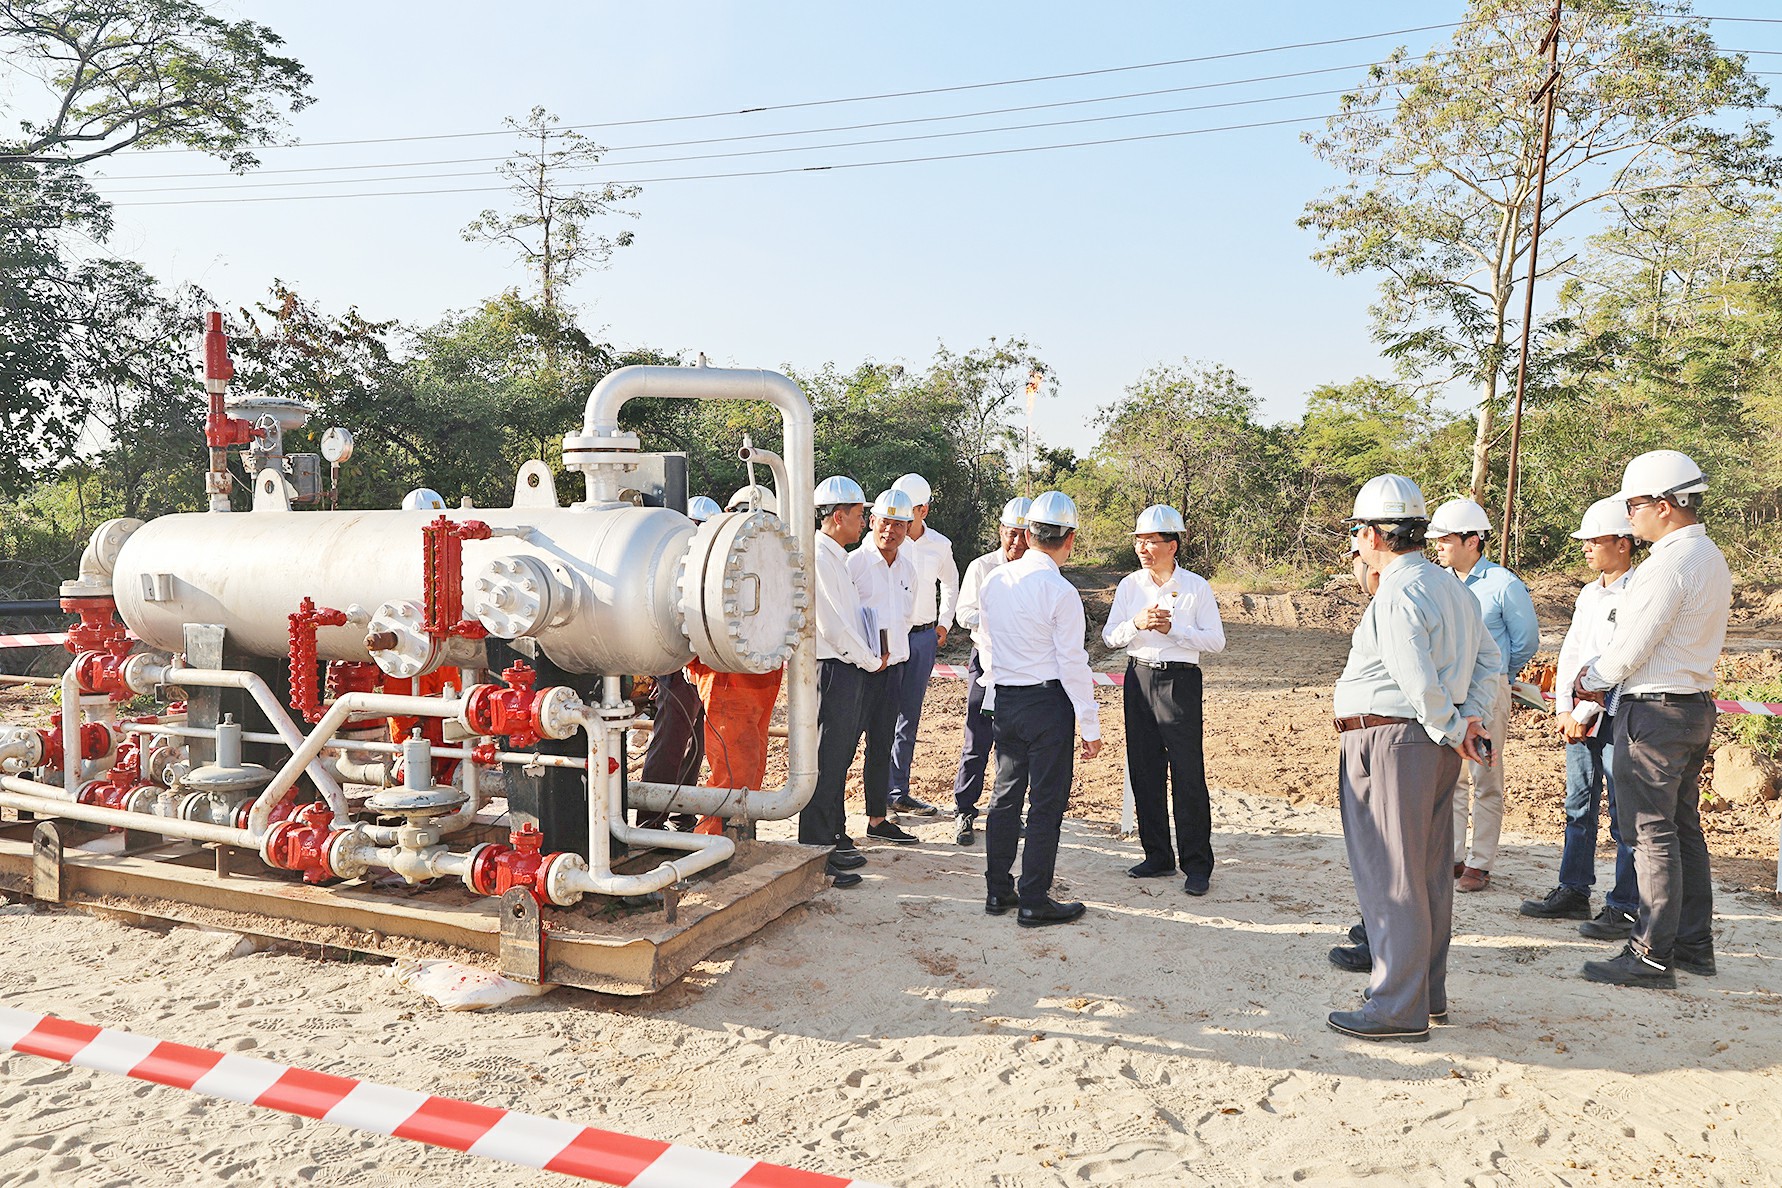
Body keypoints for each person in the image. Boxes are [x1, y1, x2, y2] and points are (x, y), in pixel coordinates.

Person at [1329, 474, 1500, 1043]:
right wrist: (1467, 720)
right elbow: (1490, 661)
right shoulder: (1453, 588)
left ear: (1374, 534)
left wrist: (1453, 724)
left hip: (1392, 742)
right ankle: (1425, 992)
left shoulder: (1398, 592)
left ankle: (1397, 1008)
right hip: (1427, 743)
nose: (1356, 542)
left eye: (1357, 531)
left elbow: (1415, 675)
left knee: (1391, 875)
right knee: (1426, 873)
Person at [1576, 450, 1730, 989]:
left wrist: (1592, 678)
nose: (1628, 516)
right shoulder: (1709, 555)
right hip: (1690, 706)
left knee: (1650, 833)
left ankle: (1650, 954)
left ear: (1664, 505)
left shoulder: (1668, 564)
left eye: (1634, 505)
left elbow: (1629, 648)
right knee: (1682, 829)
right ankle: (1692, 944)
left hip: (1654, 713)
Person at [977, 490, 1102, 927]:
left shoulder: (995, 580)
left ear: (1029, 535)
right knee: (1046, 804)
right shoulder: (1061, 591)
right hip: (1047, 703)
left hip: (1006, 699)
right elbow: (1072, 663)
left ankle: (998, 891)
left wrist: (997, 688)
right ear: (1069, 539)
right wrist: (1089, 724)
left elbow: (987, 644)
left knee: (1005, 797)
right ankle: (1033, 899)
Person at [1520, 497, 1641, 929]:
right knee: (1579, 806)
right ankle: (1573, 889)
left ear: (1623, 543)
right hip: (1580, 715)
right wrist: (1564, 707)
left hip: (1615, 715)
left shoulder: (1638, 592)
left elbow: (1618, 660)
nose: (1586, 548)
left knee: (1624, 815)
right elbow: (1572, 653)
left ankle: (1625, 904)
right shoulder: (1590, 594)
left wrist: (1583, 711)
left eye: (1595, 540)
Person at [1102, 505, 1226, 895]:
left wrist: (1176, 630)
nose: (1143, 548)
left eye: (1151, 541)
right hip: (1138, 678)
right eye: (1139, 541)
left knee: (1188, 774)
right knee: (1144, 769)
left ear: (1172, 545)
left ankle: (1197, 865)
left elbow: (1216, 641)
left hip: (1180, 682)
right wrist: (1135, 624)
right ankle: (1157, 856)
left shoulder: (1196, 587)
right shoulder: (1128, 586)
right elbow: (1109, 637)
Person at [1427, 497, 1538, 893]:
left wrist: (1501, 678)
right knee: (1452, 778)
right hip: (1450, 694)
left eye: (1445, 539)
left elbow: (1526, 641)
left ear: (1472, 540)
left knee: (1486, 776)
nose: (1438, 546)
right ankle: (1454, 856)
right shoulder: (1438, 584)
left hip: (1489, 693)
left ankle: (1480, 863)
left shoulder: (1503, 585)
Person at [802, 475, 888, 889]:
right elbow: (833, 626)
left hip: (847, 667)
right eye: (859, 514)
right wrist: (870, 660)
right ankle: (816, 851)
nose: (864, 521)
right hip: (834, 667)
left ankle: (833, 835)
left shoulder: (835, 555)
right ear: (838, 516)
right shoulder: (819, 557)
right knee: (826, 759)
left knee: (838, 758)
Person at [686, 494, 785, 837]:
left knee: (751, 762)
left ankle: (739, 834)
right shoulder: (715, 559)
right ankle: (712, 841)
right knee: (731, 769)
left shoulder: (771, 559)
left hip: (760, 671)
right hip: (728, 676)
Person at [950, 497, 1031, 845]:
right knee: (977, 739)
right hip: (986, 661)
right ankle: (964, 811)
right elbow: (963, 614)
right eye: (1012, 533)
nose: (1017, 542)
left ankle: (1008, 813)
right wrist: (998, 615)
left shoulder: (1038, 571)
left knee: (1013, 743)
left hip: (1022, 665)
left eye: (1025, 535)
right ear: (1000, 531)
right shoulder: (981, 567)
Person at [848, 489, 922, 846]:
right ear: (872, 521)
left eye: (899, 525)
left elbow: (904, 619)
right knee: (842, 748)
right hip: (857, 671)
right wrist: (867, 657)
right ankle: (830, 823)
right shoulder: (854, 564)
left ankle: (877, 819)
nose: (890, 530)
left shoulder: (908, 569)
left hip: (892, 671)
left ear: (908, 528)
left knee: (881, 745)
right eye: (885, 522)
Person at [887, 472, 960, 817]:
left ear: (923, 510)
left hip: (922, 638)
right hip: (889, 638)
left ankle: (897, 791)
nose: (900, 517)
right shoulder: (885, 541)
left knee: (908, 717)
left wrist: (944, 623)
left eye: (909, 509)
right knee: (881, 715)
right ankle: (878, 795)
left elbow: (951, 583)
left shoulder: (939, 545)